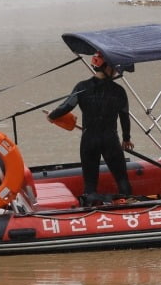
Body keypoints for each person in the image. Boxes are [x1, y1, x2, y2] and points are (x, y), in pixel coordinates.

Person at [47, 52, 134, 202]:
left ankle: (89, 209)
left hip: (89, 140)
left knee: (90, 184)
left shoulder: (81, 87)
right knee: (122, 180)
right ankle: (130, 206)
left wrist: (52, 116)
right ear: (107, 68)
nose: (116, 72)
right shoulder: (119, 91)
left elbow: (67, 106)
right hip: (110, 140)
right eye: (114, 68)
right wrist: (126, 138)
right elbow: (124, 116)